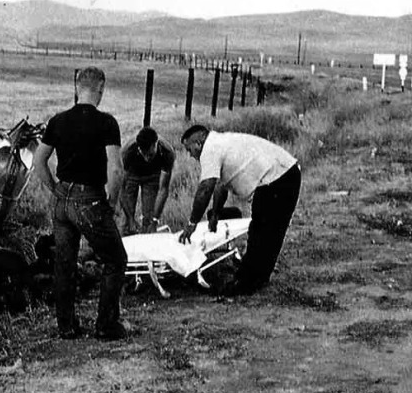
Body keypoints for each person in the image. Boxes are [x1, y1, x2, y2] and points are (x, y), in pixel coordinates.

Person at [32, 67, 129, 340]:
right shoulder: (107, 123)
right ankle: (106, 325)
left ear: (77, 88)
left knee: (64, 263)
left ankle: (66, 326)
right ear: (101, 88)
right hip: (90, 199)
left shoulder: (57, 120)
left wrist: (54, 189)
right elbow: (116, 170)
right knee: (115, 259)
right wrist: (113, 201)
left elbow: (38, 161)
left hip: (62, 200)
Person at [178, 125, 301, 296]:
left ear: (198, 143)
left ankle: (246, 283)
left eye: (188, 149)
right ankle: (256, 278)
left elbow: (206, 188)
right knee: (270, 232)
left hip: (276, 179)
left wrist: (192, 223)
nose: (190, 154)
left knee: (262, 231)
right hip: (287, 173)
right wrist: (215, 213)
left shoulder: (210, 150)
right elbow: (220, 187)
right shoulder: (220, 142)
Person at [119, 126, 175, 235]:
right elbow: (122, 188)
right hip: (132, 174)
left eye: (150, 154)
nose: (146, 158)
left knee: (149, 218)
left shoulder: (167, 152)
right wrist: (130, 218)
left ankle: (146, 239)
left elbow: (163, 189)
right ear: (138, 148)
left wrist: (155, 220)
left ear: (156, 144)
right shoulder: (128, 151)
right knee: (126, 220)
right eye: (143, 154)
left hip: (152, 176)